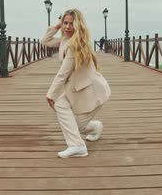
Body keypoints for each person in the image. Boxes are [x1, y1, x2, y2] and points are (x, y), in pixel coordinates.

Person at [41, 9, 111, 158]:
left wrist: (50, 94)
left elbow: (63, 73)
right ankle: (96, 127)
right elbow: (44, 41)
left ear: (78, 25)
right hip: (76, 89)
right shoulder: (65, 40)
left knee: (74, 127)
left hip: (91, 93)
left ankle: (78, 146)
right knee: (63, 109)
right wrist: (57, 26)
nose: (67, 27)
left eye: (71, 24)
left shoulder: (76, 44)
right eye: (65, 23)